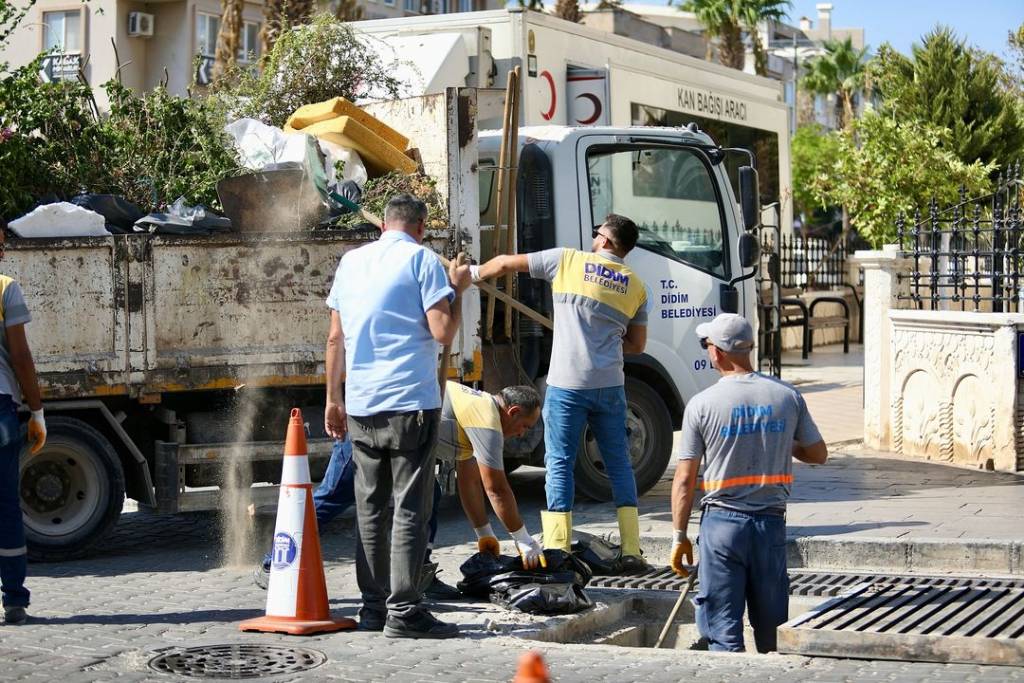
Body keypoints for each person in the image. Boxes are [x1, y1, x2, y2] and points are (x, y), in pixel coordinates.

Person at [325, 193, 470, 639]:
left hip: (363, 404)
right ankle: (404, 611)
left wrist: (334, 399)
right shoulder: (424, 262)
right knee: (409, 507)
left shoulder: (350, 263)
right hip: (409, 402)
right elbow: (443, 332)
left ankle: (372, 609)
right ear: (421, 227)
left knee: (369, 509)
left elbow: (335, 339)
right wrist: (458, 290)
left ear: (384, 224)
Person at [473, 214, 649, 570]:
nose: (593, 237)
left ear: (608, 242)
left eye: (597, 233)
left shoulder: (568, 261)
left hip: (568, 385)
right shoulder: (637, 287)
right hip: (610, 385)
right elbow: (637, 345)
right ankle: (631, 550)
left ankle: (558, 549)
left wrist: (473, 275)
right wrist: (603, 340)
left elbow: (507, 263)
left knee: (560, 464)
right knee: (619, 465)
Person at [669, 313, 828, 653]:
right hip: (770, 526)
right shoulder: (786, 396)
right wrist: (782, 439)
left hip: (722, 527)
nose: (707, 351)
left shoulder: (702, 404)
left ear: (718, 352)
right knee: (771, 632)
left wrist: (679, 537)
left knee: (722, 632)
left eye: (706, 344)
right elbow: (818, 454)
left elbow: (684, 480)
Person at [252, 437, 461, 600]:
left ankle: (420, 574)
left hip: (402, 431)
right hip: (363, 429)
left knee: (428, 493)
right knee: (331, 498)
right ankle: (277, 562)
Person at [437, 382, 544, 567]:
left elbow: (469, 482)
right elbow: (497, 490)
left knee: (423, 508)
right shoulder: (487, 419)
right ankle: (411, 582)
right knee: (420, 511)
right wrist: (524, 539)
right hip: (392, 429)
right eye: (525, 426)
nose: (521, 434)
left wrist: (484, 534)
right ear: (513, 412)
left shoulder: (478, 407)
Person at [0, 224, 47, 626]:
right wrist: (37, 412)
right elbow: (21, 357)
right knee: (5, 509)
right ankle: (14, 600)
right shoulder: (5, 288)